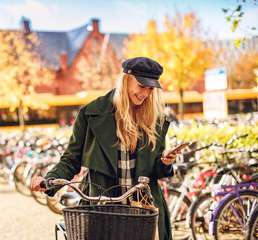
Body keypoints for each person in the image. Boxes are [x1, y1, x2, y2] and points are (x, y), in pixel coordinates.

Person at [30, 57, 179, 240]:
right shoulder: (91, 113)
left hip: (144, 209)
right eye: (142, 86)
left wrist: (164, 162)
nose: (146, 94)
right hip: (103, 207)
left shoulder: (155, 118)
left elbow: (156, 170)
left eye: (151, 89)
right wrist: (49, 180)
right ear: (126, 80)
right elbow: (72, 158)